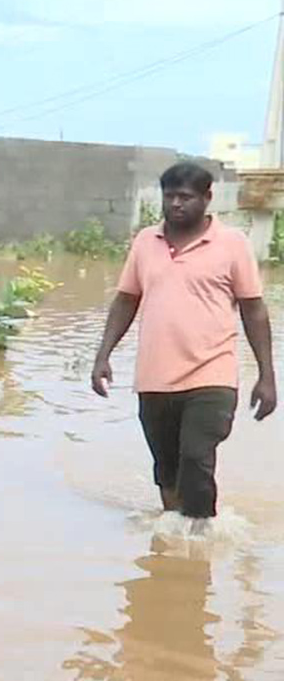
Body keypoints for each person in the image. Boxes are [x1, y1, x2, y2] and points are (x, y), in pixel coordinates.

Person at [91, 161, 277, 522]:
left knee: (195, 457)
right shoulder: (146, 241)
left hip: (212, 376)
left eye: (186, 197)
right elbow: (126, 300)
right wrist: (103, 356)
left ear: (207, 199)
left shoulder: (232, 244)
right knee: (167, 469)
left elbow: (254, 311)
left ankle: (201, 538)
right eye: (170, 196)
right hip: (154, 377)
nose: (176, 204)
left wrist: (266, 375)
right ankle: (174, 545)